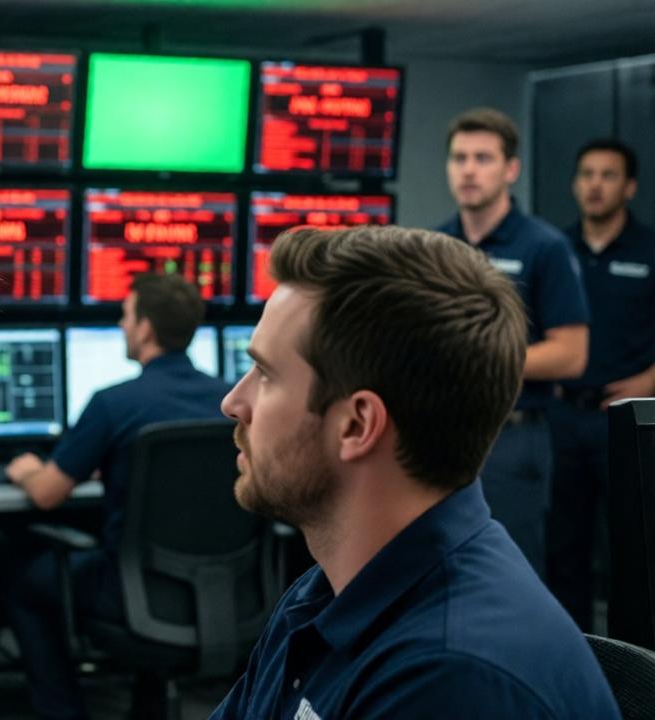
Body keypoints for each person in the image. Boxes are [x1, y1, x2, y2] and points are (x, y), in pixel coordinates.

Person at [211, 225, 619, 720]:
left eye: (267, 375)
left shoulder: (451, 678)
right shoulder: (326, 590)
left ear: (358, 425)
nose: (233, 402)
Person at [3, 273, 232, 720]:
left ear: (145, 328)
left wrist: (29, 470)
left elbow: (48, 495)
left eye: (127, 317)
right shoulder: (230, 401)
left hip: (129, 593)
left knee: (25, 583)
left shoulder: (114, 403)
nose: (123, 327)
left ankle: (63, 713)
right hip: (221, 592)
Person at [436, 107, 589, 576]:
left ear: (510, 169)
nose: (468, 169)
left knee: (508, 571)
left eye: (483, 158)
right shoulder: (437, 245)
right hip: (443, 431)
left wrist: (481, 355)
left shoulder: (543, 246)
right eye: (460, 158)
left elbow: (571, 354)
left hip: (514, 435)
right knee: (442, 565)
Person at [548, 138, 655, 631]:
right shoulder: (555, 250)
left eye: (607, 175)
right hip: (563, 417)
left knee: (629, 548)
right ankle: (573, 657)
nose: (594, 185)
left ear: (628, 187)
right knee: (562, 547)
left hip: (626, 419)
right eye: (586, 174)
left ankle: (630, 663)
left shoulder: (648, 250)